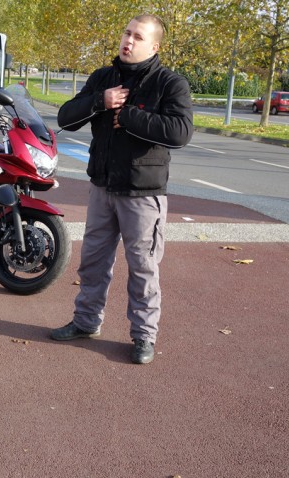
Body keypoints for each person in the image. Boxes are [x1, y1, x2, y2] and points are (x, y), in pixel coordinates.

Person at [50, 14, 193, 364]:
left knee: (143, 268)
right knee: (93, 261)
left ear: (154, 46)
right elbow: (66, 117)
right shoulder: (103, 78)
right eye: (126, 33)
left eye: (138, 36)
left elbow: (180, 132)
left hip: (142, 195)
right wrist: (101, 100)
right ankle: (86, 322)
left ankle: (144, 337)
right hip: (102, 187)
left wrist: (129, 116)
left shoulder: (169, 84)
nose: (128, 41)